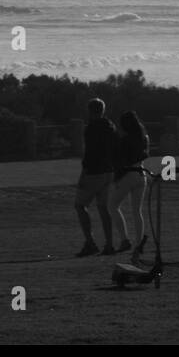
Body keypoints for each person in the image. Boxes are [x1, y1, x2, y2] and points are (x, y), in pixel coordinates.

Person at [75, 98, 118, 257]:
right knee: (103, 207)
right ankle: (109, 244)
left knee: (80, 205)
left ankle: (90, 242)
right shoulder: (110, 126)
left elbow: (90, 153)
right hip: (108, 171)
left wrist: (84, 173)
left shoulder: (91, 128)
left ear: (90, 111)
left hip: (93, 172)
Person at [109, 111, 150, 264]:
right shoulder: (143, 137)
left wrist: (117, 178)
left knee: (112, 205)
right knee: (137, 211)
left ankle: (124, 239)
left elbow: (120, 160)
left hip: (128, 174)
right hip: (141, 173)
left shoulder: (125, 140)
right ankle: (138, 244)